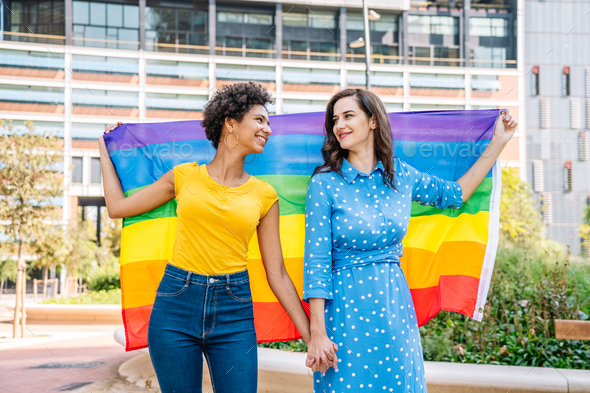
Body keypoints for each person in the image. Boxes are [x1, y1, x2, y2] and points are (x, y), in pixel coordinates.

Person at [98, 81, 337, 393]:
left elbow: (276, 272)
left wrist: (311, 335)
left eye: (268, 122)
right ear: (230, 123)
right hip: (175, 305)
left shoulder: (265, 195)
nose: (267, 129)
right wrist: (105, 148)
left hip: (233, 309)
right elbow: (117, 208)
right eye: (259, 120)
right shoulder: (184, 176)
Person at [303, 88, 517, 392]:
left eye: (348, 116)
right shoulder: (324, 184)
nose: (340, 125)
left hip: (394, 310)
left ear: (373, 120)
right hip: (345, 315)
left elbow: (455, 194)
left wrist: (499, 142)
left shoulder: (400, 175)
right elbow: (317, 264)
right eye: (335, 120)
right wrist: (318, 334)